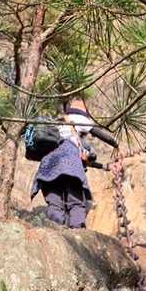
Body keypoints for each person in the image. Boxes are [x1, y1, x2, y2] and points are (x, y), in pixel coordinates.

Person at [31, 95, 96, 228]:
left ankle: (55, 231)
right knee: (76, 202)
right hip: (70, 167)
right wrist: (116, 145)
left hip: (48, 167)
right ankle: (77, 231)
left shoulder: (56, 124)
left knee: (54, 203)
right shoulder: (80, 120)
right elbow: (99, 140)